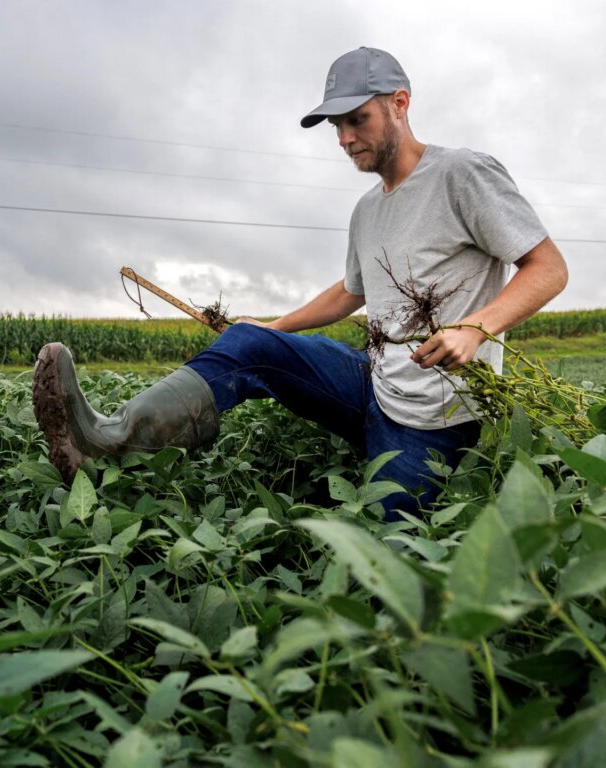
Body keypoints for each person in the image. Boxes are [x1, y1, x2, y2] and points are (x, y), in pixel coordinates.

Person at [33, 46, 568, 519]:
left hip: (436, 419)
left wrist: (476, 328)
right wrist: (275, 327)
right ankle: (107, 440)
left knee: (391, 536)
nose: (345, 138)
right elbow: (351, 292)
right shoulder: (367, 209)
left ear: (400, 104)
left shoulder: (462, 174)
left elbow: (548, 268)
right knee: (248, 344)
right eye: (336, 126)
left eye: (356, 120)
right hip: (373, 384)